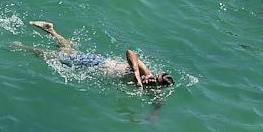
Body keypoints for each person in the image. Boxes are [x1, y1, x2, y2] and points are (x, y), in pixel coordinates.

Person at [22, 22, 173, 88]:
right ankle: (23, 47)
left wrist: (155, 113)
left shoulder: (152, 88)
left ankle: (51, 30)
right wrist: (137, 74)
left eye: (154, 82)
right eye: (154, 77)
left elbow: (158, 100)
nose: (151, 79)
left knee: (67, 50)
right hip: (97, 64)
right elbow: (130, 52)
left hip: (95, 67)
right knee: (55, 58)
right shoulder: (144, 72)